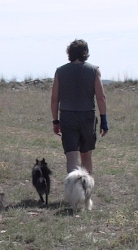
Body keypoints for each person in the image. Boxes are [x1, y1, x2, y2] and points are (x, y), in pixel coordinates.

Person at [51, 39, 108, 174]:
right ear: (85, 53)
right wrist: (104, 120)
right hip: (87, 116)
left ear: (69, 53)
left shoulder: (60, 71)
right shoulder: (94, 70)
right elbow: (101, 97)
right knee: (86, 156)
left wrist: (55, 121)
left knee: (71, 156)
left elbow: (54, 99)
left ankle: (72, 191)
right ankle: (86, 194)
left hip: (67, 116)